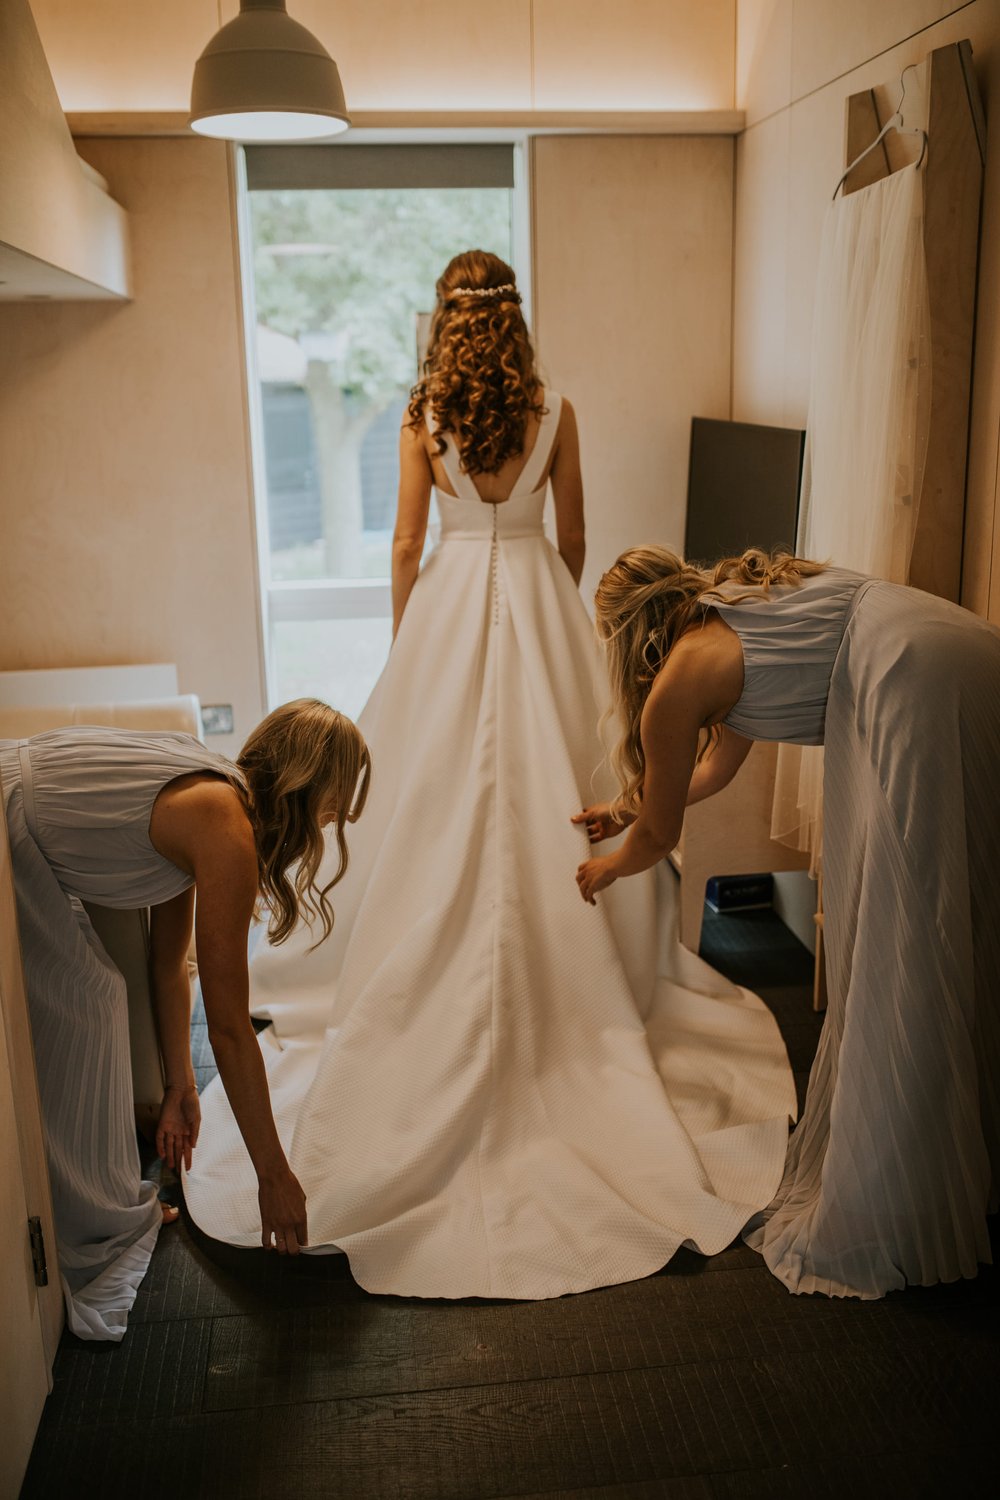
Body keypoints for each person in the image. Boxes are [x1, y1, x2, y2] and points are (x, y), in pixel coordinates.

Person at [184, 251, 797, 1299]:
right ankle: (588, 996)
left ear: (442, 321)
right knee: (564, 796)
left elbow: (407, 544)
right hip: (534, 605)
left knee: (430, 806)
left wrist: (410, 646)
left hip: (449, 611)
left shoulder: (425, 415)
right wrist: (546, 621)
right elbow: (575, 542)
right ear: (516, 320)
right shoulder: (557, 409)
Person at [580, 544, 1000, 1298]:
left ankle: (900, 1196)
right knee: (968, 899)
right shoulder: (736, 606)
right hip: (956, 643)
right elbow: (713, 772)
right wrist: (616, 811)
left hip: (911, 684)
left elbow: (659, 835)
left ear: (624, 636)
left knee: (909, 929)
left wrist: (605, 865)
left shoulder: (675, 683)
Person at [0, 699, 369, 1340]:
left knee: (98, 998)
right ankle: (85, 1225)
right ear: (306, 788)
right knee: (82, 1008)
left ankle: (99, 1208)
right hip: (11, 820)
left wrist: (181, 1087)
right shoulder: (224, 827)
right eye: (335, 806)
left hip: (18, 805)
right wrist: (274, 1177)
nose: (334, 823)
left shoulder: (215, 794)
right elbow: (227, 1027)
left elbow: (170, 963)